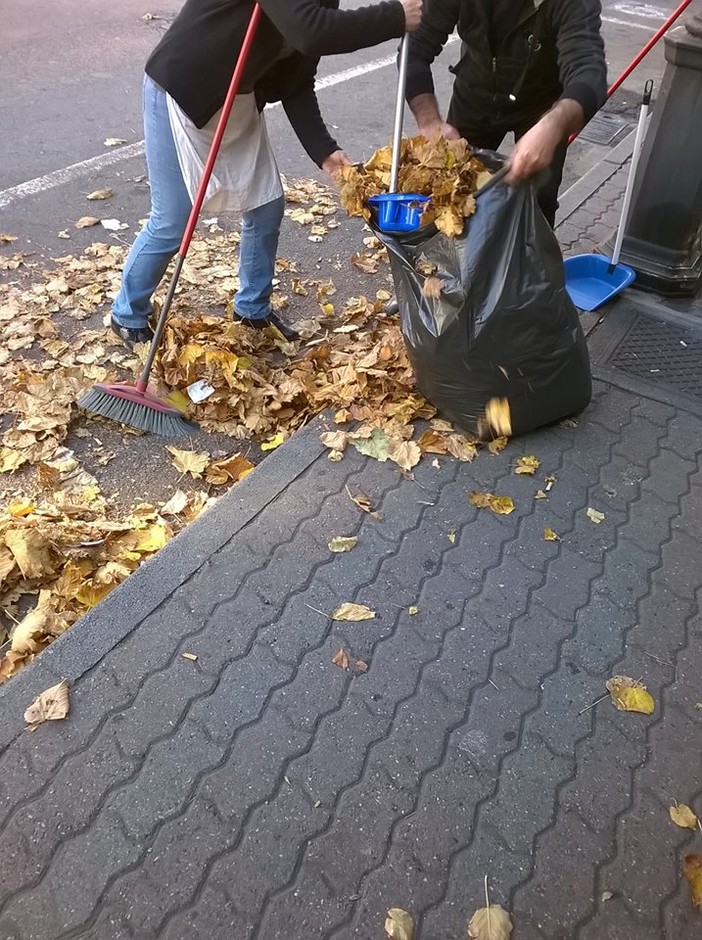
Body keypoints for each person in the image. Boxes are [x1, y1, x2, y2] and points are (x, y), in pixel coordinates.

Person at [111, 0, 423, 349]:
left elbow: (297, 79)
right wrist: (395, 16)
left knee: (266, 205)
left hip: (236, 94)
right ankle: (128, 313)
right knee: (174, 218)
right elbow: (311, 31)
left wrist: (324, 151)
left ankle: (251, 309)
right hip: (183, 87)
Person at [404, 0, 608, 226]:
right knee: (452, 194)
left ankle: (531, 257)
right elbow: (415, 48)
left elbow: (589, 73)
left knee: (537, 206)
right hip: (474, 94)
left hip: (542, 109)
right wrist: (430, 121)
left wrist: (555, 124)